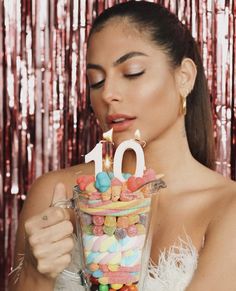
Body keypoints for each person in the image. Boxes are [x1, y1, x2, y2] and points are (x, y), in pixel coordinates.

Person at [9, 1, 236, 290]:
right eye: (96, 81)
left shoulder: (228, 208)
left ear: (184, 77)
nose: (108, 94)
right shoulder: (56, 196)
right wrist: (36, 274)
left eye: (132, 72)